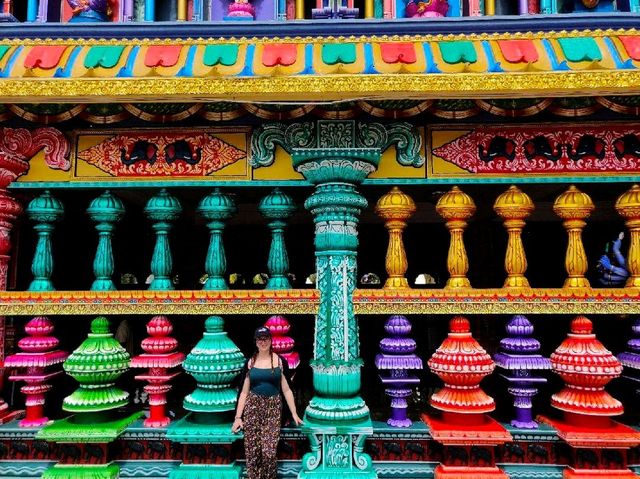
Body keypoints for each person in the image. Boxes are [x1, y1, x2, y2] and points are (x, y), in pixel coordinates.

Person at [232, 326, 303, 479]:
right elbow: (243, 392)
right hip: (253, 408)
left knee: (269, 452)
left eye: (266, 339)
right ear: (256, 342)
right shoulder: (250, 362)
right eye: (260, 339)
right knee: (253, 451)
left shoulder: (279, 361)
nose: (263, 342)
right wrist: (238, 418)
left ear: (271, 341)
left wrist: (294, 413)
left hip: (273, 409)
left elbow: (287, 390)